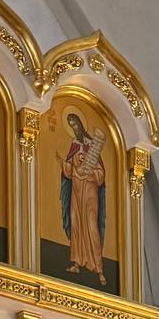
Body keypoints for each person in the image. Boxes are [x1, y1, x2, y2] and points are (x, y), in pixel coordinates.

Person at [59, 111, 108, 279]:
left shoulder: (91, 145)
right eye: (71, 126)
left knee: (91, 225)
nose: (74, 128)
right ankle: (77, 263)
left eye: (75, 124)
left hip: (89, 192)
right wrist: (64, 165)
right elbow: (69, 172)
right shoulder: (73, 145)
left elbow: (101, 174)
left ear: (80, 124)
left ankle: (99, 268)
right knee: (76, 224)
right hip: (76, 191)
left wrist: (90, 172)